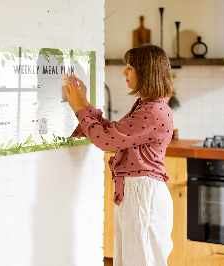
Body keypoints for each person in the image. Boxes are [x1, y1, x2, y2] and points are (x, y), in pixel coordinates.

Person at [63, 44, 175, 266]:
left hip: (143, 195)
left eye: (130, 67)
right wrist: (84, 103)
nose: (124, 72)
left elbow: (106, 141)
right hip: (138, 193)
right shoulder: (148, 106)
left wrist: (78, 108)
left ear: (146, 72)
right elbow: (114, 133)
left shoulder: (152, 111)